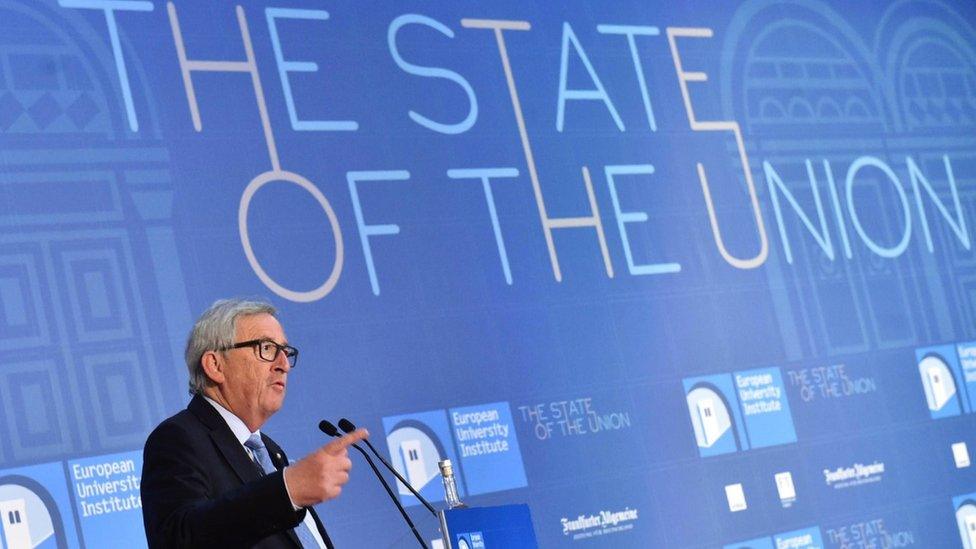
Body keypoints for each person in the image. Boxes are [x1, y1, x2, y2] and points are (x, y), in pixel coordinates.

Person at [141, 298, 367, 548]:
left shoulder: (270, 450)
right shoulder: (178, 438)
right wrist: (288, 490)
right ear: (215, 365)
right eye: (267, 349)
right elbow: (179, 540)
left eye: (286, 352)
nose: (283, 365)